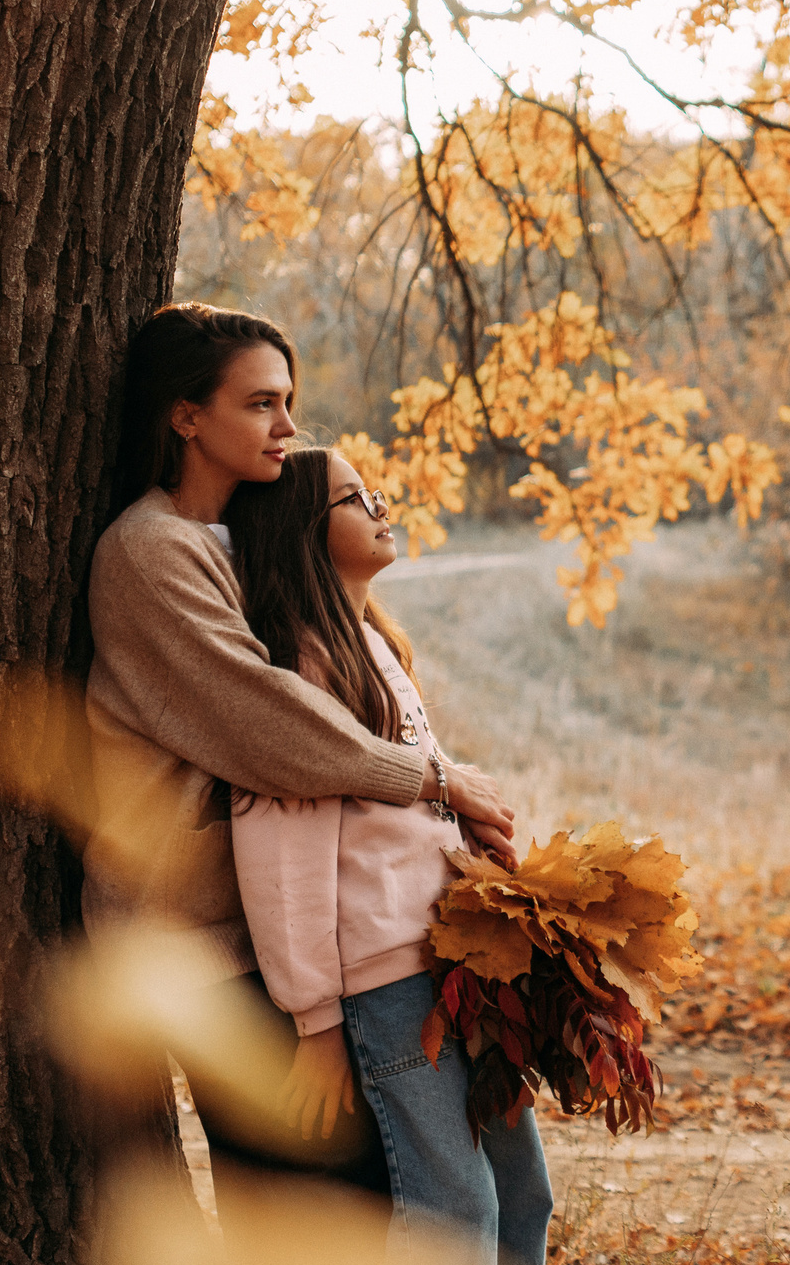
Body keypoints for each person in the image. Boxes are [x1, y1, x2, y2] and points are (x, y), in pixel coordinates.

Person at [84, 302, 518, 1199]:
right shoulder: (148, 550)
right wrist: (437, 782)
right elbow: (265, 721)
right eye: (260, 404)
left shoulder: (243, 542)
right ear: (186, 415)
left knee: (355, 1192)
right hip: (194, 939)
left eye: (289, 402)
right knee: (298, 1194)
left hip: (271, 930)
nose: (288, 426)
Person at [225, 447, 553, 1265]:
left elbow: (415, 809)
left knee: (521, 1197)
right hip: (386, 991)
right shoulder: (304, 669)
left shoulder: (375, 648)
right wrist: (315, 1022)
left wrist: (482, 844)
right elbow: (281, 858)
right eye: (351, 500)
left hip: (456, 973)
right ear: (300, 533)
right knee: (454, 1218)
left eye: (375, 492)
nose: (379, 507)